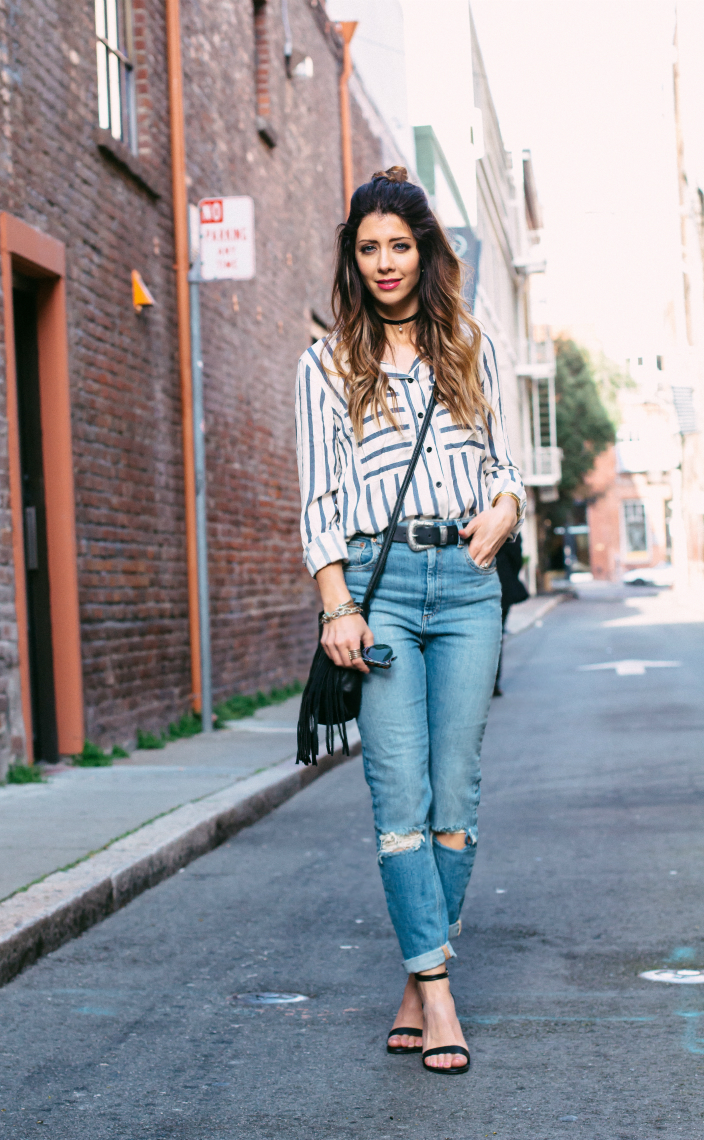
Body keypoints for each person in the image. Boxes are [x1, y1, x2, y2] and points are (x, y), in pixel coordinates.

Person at [294, 168, 525, 1074]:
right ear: (352, 260)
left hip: (467, 585)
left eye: (400, 245)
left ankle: (416, 975)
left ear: (425, 252)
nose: (385, 263)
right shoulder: (326, 364)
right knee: (401, 801)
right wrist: (336, 606)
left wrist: (504, 508)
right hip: (381, 589)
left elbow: (505, 464)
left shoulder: (471, 343)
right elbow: (318, 501)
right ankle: (439, 994)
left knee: (456, 797)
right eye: (368, 248)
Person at [493, 533, 529, 696]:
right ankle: (493, 683)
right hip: (503, 584)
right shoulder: (507, 520)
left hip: (485, 584)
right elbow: (516, 557)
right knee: (496, 636)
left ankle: (489, 682)